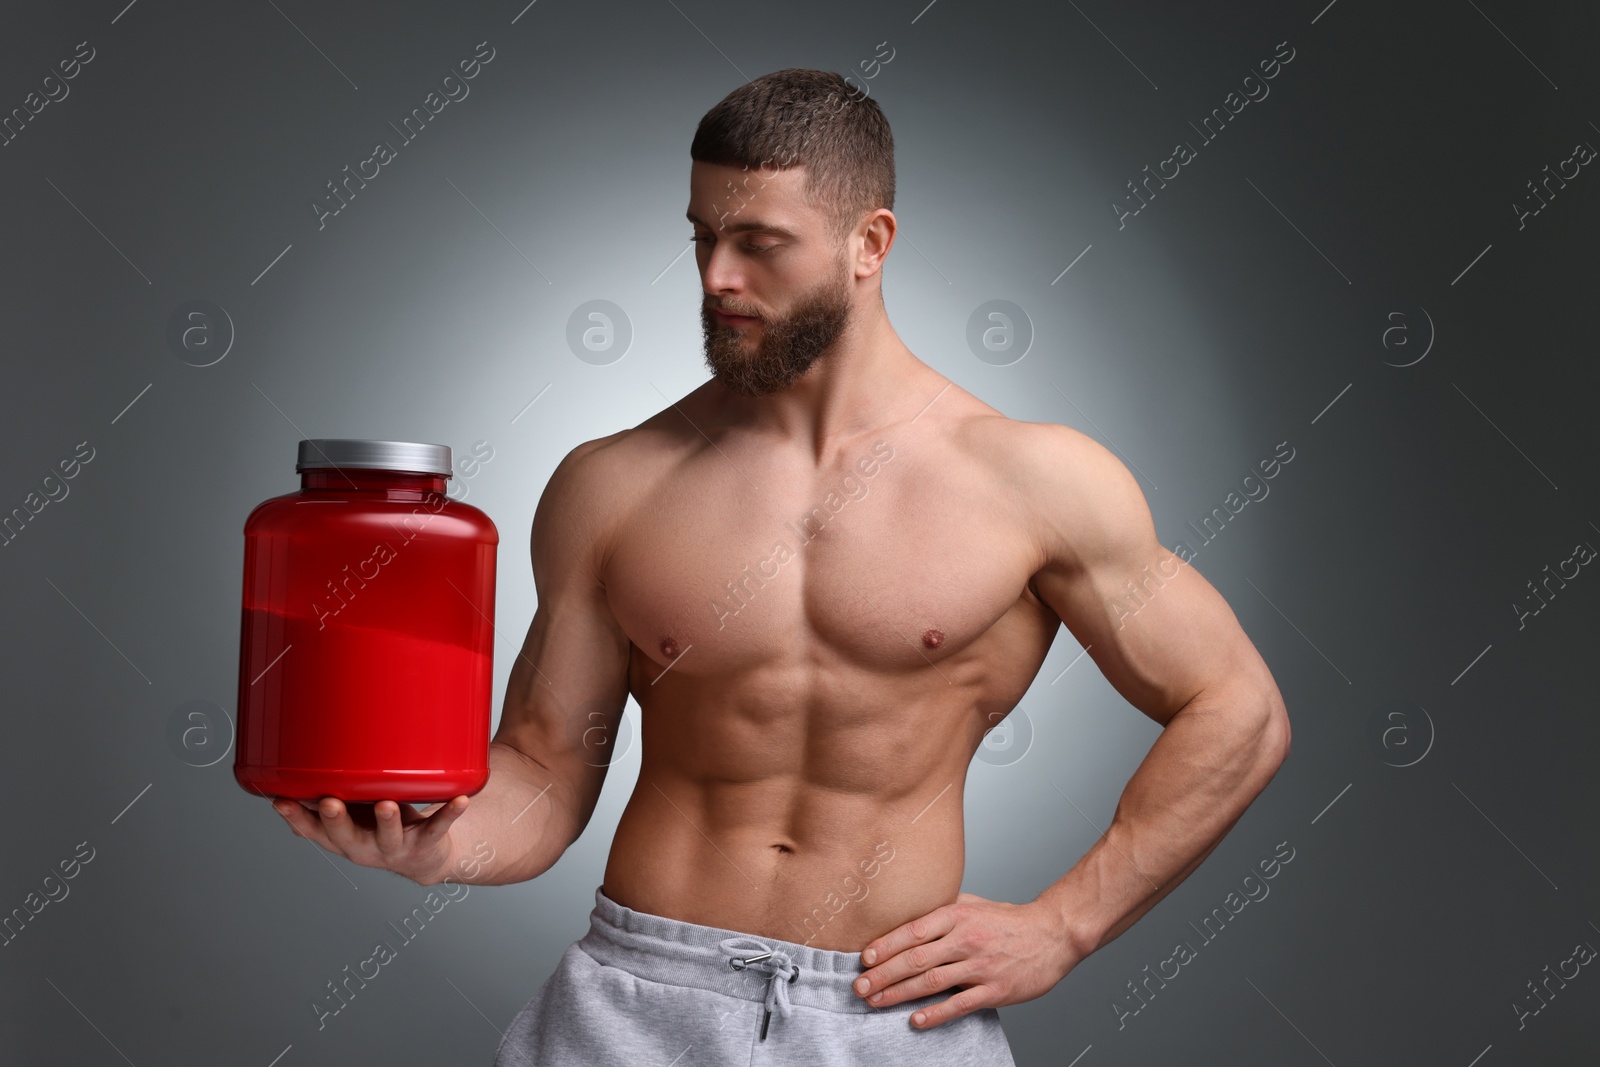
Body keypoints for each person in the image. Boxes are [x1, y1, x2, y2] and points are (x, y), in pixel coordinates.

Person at [271, 67, 1290, 1065]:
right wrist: (441, 844)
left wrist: (1067, 922)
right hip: (634, 1002)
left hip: (891, 1015)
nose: (717, 275)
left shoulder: (1036, 481)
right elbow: (541, 769)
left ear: (869, 243)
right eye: (702, 236)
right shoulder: (613, 484)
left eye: (759, 244)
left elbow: (1236, 707)